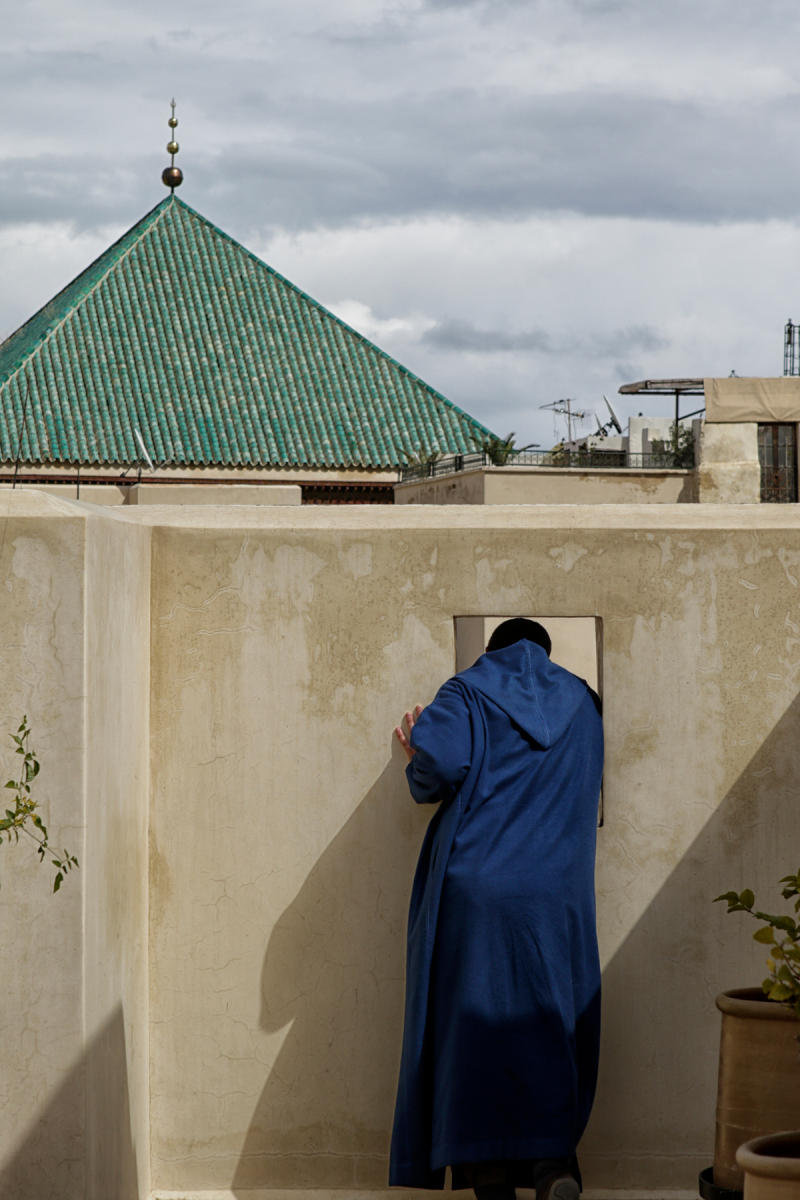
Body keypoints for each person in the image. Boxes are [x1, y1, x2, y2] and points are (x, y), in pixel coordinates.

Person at [389, 619, 603, 1200]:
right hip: (555, 893)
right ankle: (550, 1163)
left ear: (491, 651)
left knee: (473, 1027)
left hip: (476, 888)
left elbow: (440, 766)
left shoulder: (465, 690)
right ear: (547, 654)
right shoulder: (584, 702)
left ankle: (487, 1176)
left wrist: (415, 757)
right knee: (551, 1019)